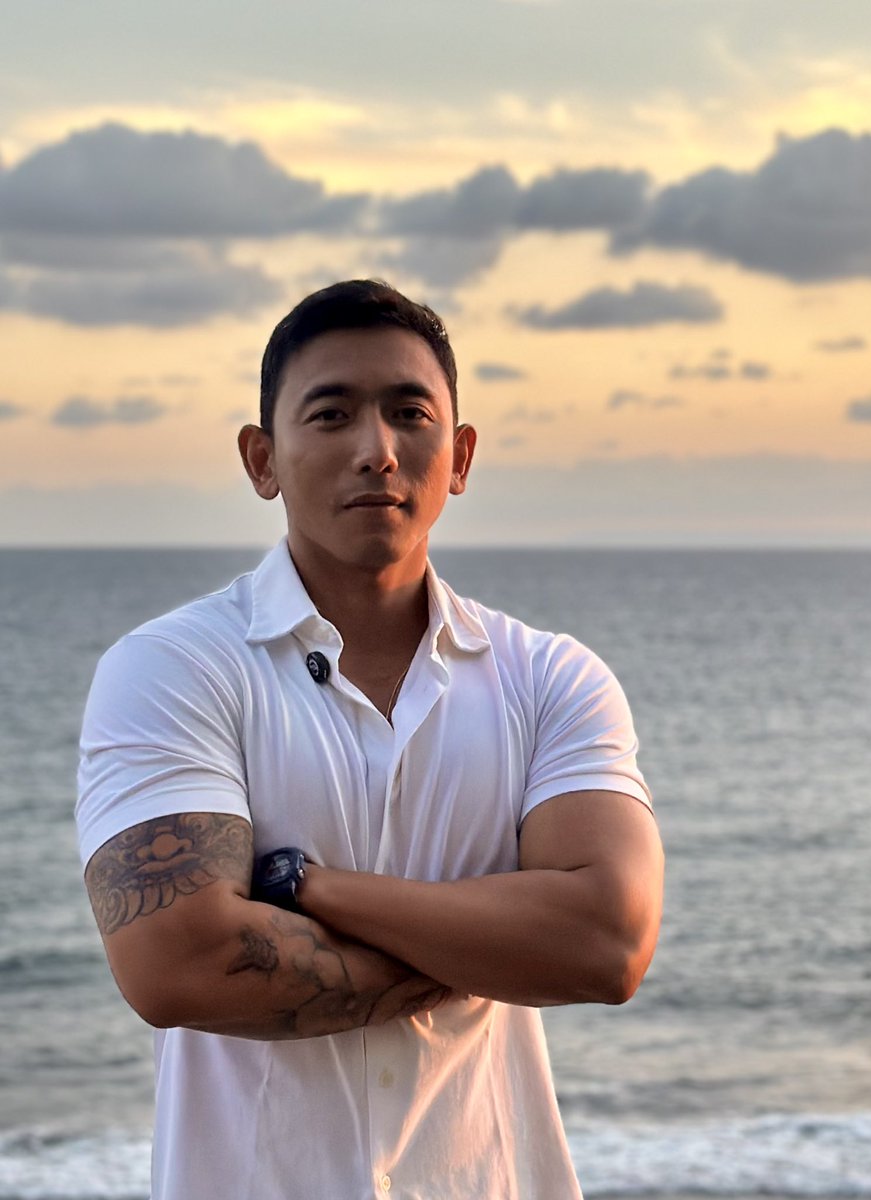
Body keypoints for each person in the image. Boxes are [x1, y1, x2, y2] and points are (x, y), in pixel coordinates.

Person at [76, 279, 664, 1199]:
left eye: (408, 413)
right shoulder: (171, 669)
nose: (376, 450)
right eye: (331, 413)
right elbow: (175, 966)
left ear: (459, 456)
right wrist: (492, 943)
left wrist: (307, 887)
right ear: (262, 459)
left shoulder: (549, 678)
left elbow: (606, 943)